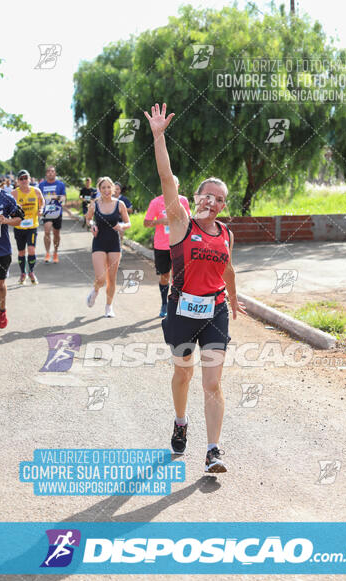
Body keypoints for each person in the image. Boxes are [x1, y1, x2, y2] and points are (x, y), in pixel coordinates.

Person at [144, 103, 246, 473]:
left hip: (214, 311)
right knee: (182, 373)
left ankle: (214, 450)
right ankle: (180, 421)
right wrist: (159, 137)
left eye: (220, 198)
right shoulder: (181, 223)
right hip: (182, 311)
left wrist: (233, 303)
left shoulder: (226, 234)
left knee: (213, 383)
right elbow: (166, 176)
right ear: (197, 197)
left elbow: (229, 270)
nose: (214, 202)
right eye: (208, 195)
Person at [144, 175, 190, 318]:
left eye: (174, 184)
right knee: (165, 276)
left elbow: (188, 221)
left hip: (179, 243)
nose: (171, 187)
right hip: (162, 245)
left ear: (177, 186)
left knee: (180, 276)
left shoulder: (183, 201)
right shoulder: (156, 202)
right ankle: (164, 303)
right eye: (168, 185)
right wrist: (161, 221)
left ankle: (177, 304)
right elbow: (146, 223)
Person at [85, 176, 130, 317]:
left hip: (114, 243)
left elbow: (128, 223)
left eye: (108, 187)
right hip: (99, 242)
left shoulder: (120, 204)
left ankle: (109, 307)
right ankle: (95, 290)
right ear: (99, 189)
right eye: (103, 187)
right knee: (101, 278)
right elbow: (88, 218)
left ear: (113, 189)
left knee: (111, 278)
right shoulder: (94, 205)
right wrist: (92, 225)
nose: (106, 190)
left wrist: (121, 225)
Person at [12, 170, 44, 285]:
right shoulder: (14, 194)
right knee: (21, 252)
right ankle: (22, 273)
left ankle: (31, 272)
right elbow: (9, 208)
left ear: (30, 179)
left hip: (32, 226)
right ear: (18, 181)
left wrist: (40, 209)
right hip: (19, 227)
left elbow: (42, 201)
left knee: (31, 249)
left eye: (26, 178)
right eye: (21, 179)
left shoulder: (36, 191)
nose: (24, 180)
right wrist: (14, 212)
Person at [0, 187, 24, 328]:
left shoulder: (6, 198)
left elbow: (19, 219)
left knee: (0, 285)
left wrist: (5, 220)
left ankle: (2, 310)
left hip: (2, 250)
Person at [38, 165, 66, 263]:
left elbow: (63, 198)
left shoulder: (60, 184)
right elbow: (38, 198)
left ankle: (55, 252)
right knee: (47, 231)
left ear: (55, 173)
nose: (50, 173)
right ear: (46, 174)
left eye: (52, 171)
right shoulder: (41, 185)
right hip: (46, 212)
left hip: (57, 212)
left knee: (56, 234)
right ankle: (47, 253)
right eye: (48, 171)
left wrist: (55, 197)